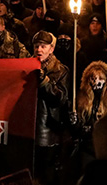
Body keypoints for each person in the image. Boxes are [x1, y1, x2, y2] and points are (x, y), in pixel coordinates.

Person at [32, 31, 69, 185]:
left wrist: (44, 82)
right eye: (36, 46)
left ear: (51, 49)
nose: (39, 50)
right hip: (29, 127)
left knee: (46, 172)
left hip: (47, 129)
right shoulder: (27, 66)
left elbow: (60, 98)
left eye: (43, 46)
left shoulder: (60, 70)